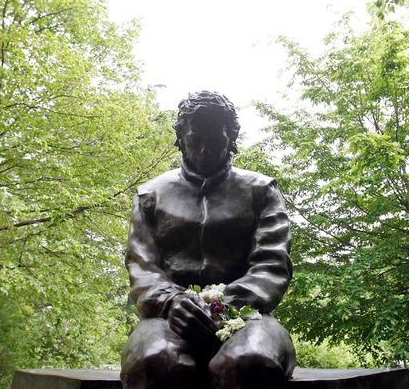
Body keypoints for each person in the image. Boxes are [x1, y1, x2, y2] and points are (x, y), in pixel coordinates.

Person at [120, 91, 295, 389]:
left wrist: (221, 306)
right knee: (154, 361)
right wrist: (172, 302)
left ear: (232, 136)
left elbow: (272, 265)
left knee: (249, 361)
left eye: (216, 141)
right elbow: (142, 268)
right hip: (166, 319)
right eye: (195, 140)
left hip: (248, 316)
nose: (204, 151)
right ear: (181, 137)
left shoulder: (260, 191)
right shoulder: (151, 196)